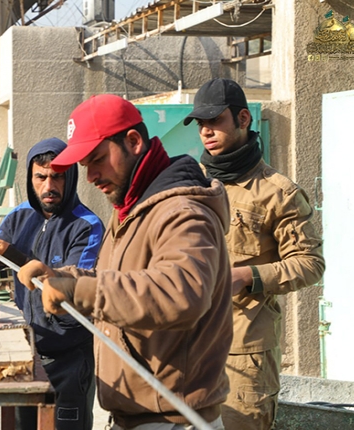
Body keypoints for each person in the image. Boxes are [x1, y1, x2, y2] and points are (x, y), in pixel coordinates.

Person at [17, 94, 233, 430]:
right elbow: (116, 279)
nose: (91, 176)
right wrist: (61, 276)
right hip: (140, 416)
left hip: (172, 421)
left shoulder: (182, 213)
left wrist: (78, 291)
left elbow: (180, 294)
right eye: (85, 166)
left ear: (133, 142)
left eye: (98, 159)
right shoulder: (133, 209)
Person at [183, 78, 326, 430]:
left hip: (244, 355)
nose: (206, 131)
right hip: (187, 345)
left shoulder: (278, 193)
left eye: (215, 120)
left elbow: (310, 263)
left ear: (243, 119)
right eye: (200, 123)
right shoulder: (190, 185)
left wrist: (248, 276)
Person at [0, 137, 104, 430]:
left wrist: (16, 256)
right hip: (25, 354)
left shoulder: (87, 226)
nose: (48, 186)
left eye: (57, 177)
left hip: (70, 356)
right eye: (40, 177)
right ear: (30, 178)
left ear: (71, 178)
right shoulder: (18, 217)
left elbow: (73, 286)